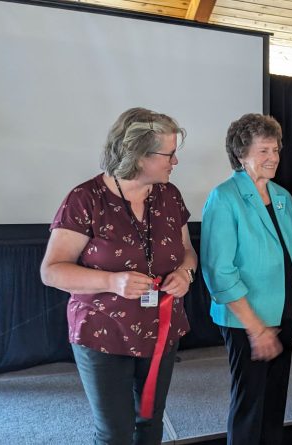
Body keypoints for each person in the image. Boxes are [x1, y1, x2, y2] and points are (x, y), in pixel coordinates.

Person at [40, 107, 196, 444]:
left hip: (161, 331)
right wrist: (112, 282)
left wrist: (186, 273)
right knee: (116, 434)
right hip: (103, 334)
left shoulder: (169, 195)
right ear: (139, 156)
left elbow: (187, 252)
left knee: (150, 423)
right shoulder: (85, 199)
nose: (176, 162)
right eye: (169, 154)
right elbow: (51, 271)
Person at [200, 114, 292, 445]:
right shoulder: (224, 197)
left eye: (275, 150)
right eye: (263, 151)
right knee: (250, 405)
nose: (273, 158)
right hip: (247, 320)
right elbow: (219, 270)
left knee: (275, 405)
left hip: (285, 315)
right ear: (241, 154)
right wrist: (256, 328)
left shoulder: (282, 196)